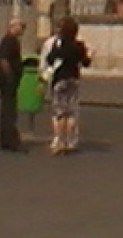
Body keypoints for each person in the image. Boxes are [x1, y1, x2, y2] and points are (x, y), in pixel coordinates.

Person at [44, 16, 92, 155]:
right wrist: (90, 55)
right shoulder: (79, 46)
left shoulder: (60, 45)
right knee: (71, 112)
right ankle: (69, 142)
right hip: (73, 79)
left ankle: (59, 141)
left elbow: (50, 59)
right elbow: (86, 63)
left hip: (60, 79)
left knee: (59, 112)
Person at [0, 17, 26, 152]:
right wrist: (10, 76)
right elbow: (4, 59)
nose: (23, 29)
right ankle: (11, 140)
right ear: (13, 26)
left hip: (8, 80)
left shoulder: (10, 40)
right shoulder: (9, 40)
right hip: (8, 81)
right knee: (9, 111)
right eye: (22, 26)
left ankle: (5, 140)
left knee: (7, 109)